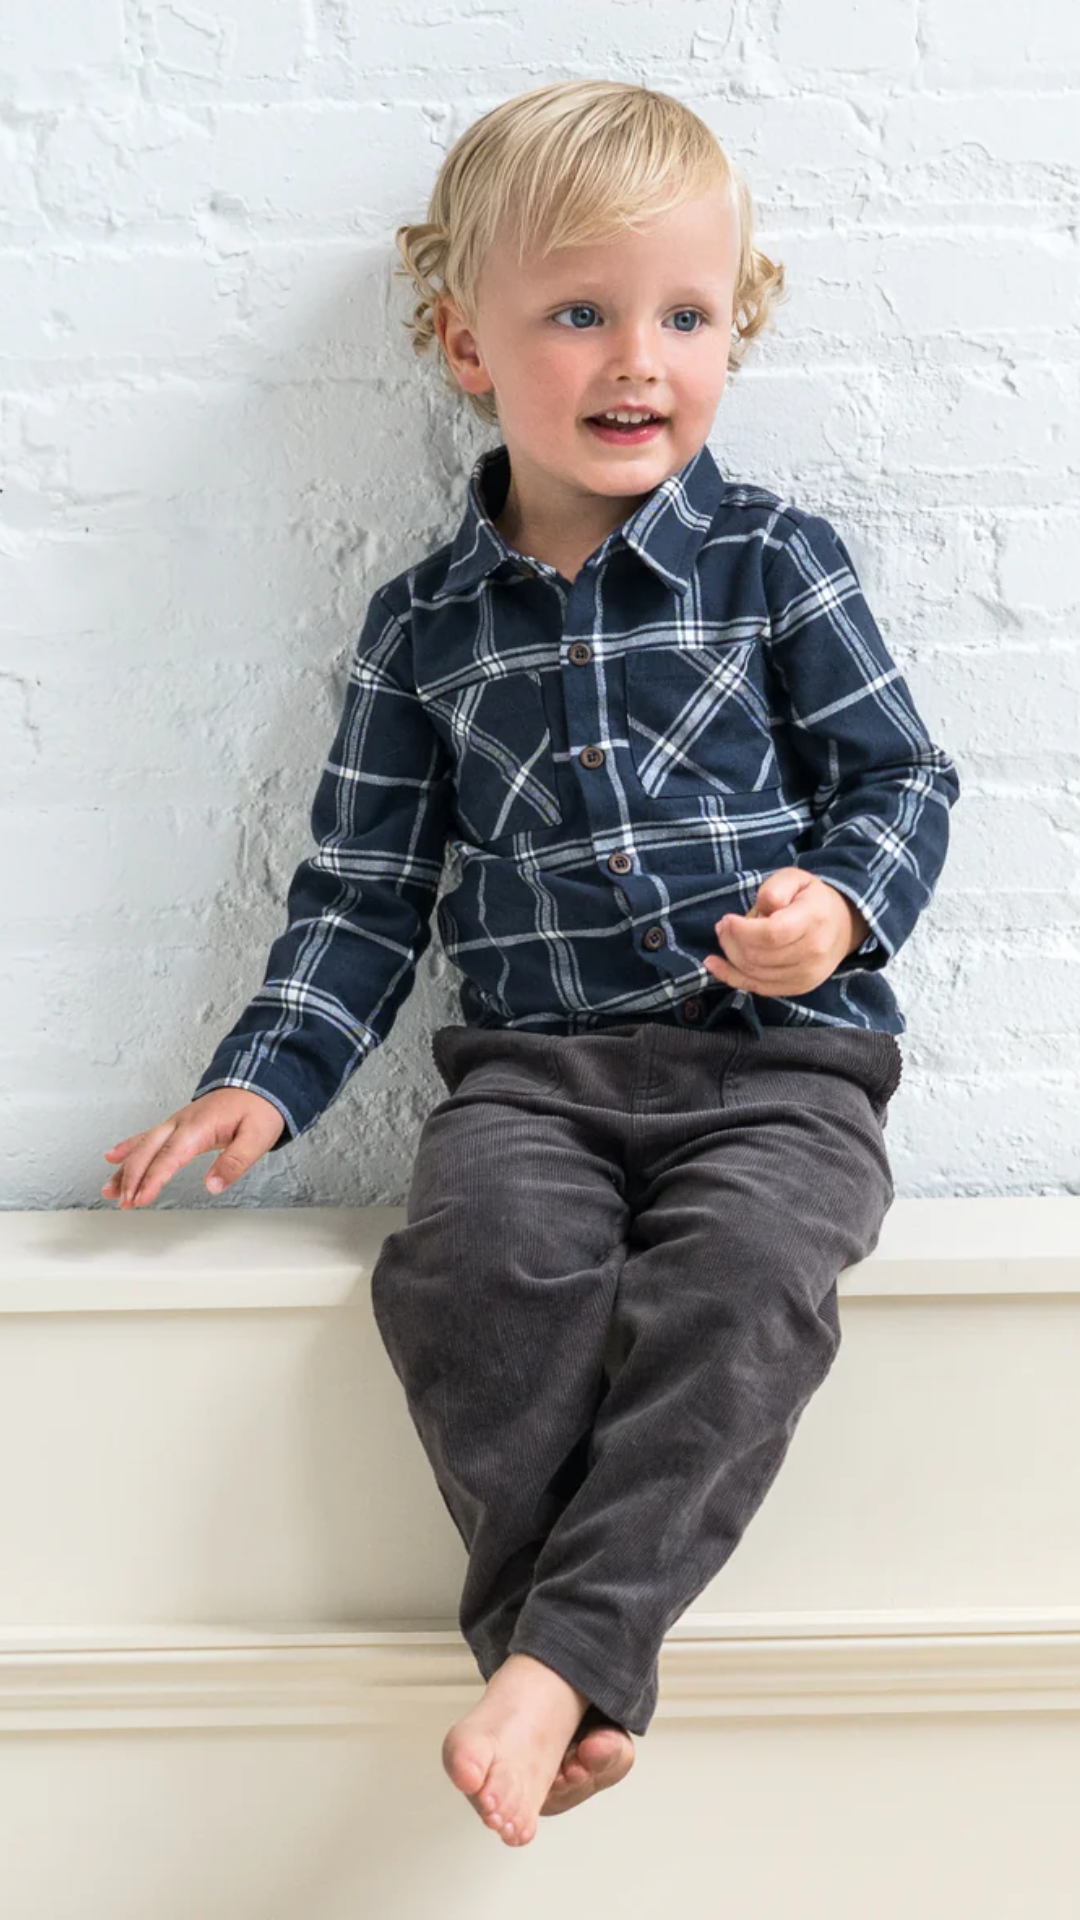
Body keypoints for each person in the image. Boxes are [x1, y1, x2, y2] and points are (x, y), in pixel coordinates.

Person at [101, 79, 961, 1849]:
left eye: (685, 315)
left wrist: (837, 914)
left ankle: (548, 1665)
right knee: (468, 1270)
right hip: (537, 1087)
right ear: (464, 343)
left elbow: (902, 779)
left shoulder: (774, 565)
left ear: (740, 325)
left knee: (741, 1292)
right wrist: (262, 1079)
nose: (637, 359)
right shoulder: (423, 627)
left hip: (775, 1076)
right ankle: (568, 1669)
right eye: (578, 312)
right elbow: (359, 894)